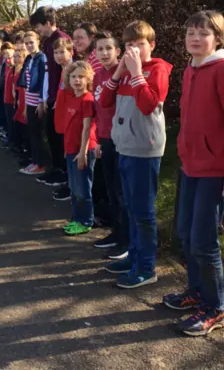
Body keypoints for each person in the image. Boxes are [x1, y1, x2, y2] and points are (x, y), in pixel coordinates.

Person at [162, 10, 224, 336]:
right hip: (189, 165)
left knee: (203, 242)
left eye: (203, 33)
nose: (195, 38)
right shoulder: (190, 70)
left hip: (214, 170)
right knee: (184, 233)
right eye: (191, 33)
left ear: (217, 38)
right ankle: (196, 291)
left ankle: (216, 306)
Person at [99, 23, 172, 289]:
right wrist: (119, 72)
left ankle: (146, 267)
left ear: (151, 45)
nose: (133, 50)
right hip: (125, 146)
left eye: (140, 44)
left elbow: (148, 104)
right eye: (129, 45)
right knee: (130, 207)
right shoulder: (125, 72)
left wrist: (137, 73)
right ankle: (134, 255)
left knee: (143, 211)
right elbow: (104, 101)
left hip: (145, 148)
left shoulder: (157, 69)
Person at [92, 32, 129, 260]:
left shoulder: (123, 75)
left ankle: (126, 240)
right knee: (111, 190)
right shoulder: (97, 75)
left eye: (109, 48)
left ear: (118, 51)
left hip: (121, 139)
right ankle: (115, 233)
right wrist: (96, 139)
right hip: (104, 138)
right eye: (100, 49)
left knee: (121, 191)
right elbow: (97, 109)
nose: (104, 53)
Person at [29, 6, 71, 185]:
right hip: (52, 96)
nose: (37, 30)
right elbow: (48, 73)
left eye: (38, 26)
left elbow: (67, 70)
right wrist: (44, 98)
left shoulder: (61, 39)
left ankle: (63, 173)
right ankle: (55, 168)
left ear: (47, 23)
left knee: (60, 137)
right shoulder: (47, 42)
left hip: (62, 95)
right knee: (52, 134)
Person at [61, 61, 98, 236]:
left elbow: (87, 128)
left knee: (83, 187)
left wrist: (83, 152)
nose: (77, 80)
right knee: (74, 188)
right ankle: (76, 218)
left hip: (82, 151)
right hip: (70, 150)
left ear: (88, 79)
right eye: (74, 76)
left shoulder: (87, 100)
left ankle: (86, 220)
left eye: (81, 77)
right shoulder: (72, 98)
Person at [17, 31, 50, 176]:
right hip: (29, 102)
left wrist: (41, 102)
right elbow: (26, 84)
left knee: (38, 135)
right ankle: (35, 161)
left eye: (31, 42)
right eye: (27, 43)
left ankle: (41, 164)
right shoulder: (29, 59)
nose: (29, 45)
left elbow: (44, 82)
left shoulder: (41, 58)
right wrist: (25, 105)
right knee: (33, 134)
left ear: (38, 41)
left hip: (37, 103)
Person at [44, 37, 74, 191]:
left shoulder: (73, 70)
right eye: (56, 53)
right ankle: (67, 179)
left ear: (71, 52)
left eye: (62, 52)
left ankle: (71, 185)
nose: (58, 56)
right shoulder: (64, 70)